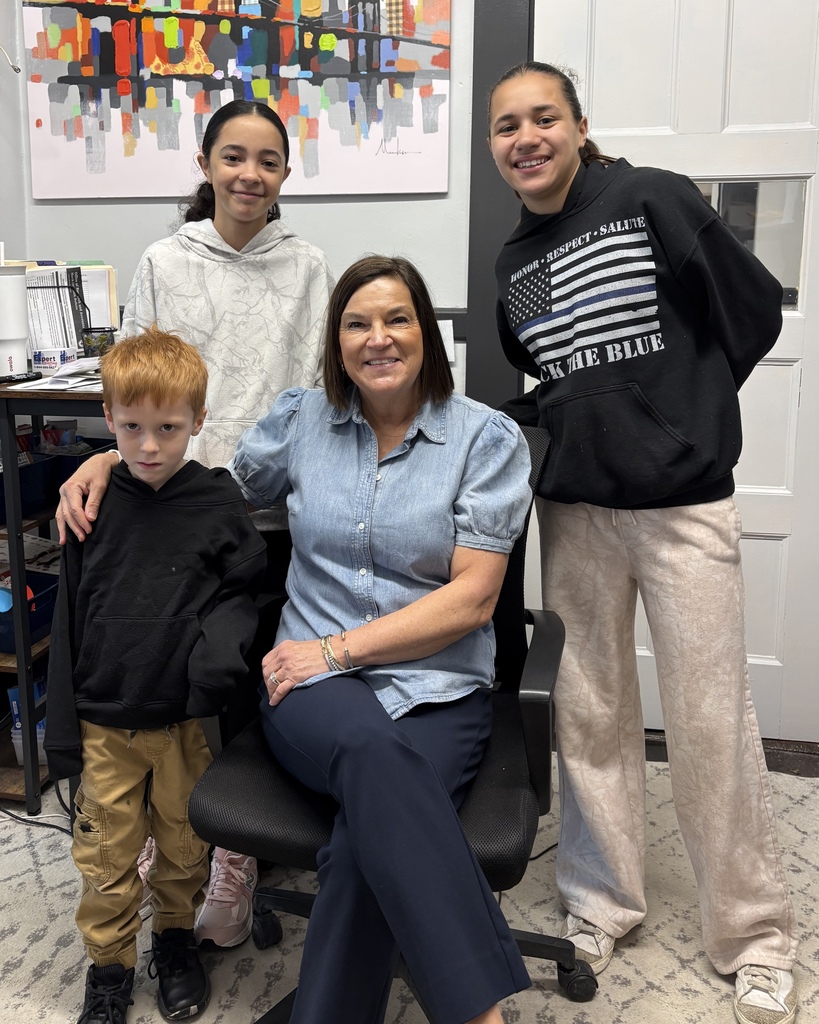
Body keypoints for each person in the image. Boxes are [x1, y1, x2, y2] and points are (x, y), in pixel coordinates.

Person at [61, 254, 534, 1024]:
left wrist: (341, 650)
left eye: (396, 318)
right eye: (356, 323)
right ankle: (478, 1008)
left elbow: (474, 600)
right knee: (375, 756)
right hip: (308, 685)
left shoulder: (486, 438)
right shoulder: (300, 420)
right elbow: (198, 485)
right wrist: (115, 453)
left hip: (437, 684)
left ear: (427, 333)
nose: (376, 338)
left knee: (358, 847)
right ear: (336, 341)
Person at [487, 61, 799, 1024]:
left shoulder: (652, 197)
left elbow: (747, 308)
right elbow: (549, 373)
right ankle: (600, 900)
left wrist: (687, 413)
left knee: (709, 717)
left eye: (543, 117)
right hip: (575, 510)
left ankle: (751, 934)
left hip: (682, 504)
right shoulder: (511, 263)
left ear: (580, 124)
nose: (526, 138)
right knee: (588, 715)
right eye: (506, 127)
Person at [60, 98, 335, 949]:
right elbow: (138, 387)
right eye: (233, 157)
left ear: (285, 175)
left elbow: (327, 391)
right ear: (206, 165)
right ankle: (174, 834)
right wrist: (106, 455)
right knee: (183, 680)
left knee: (254, 673)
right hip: (178, 504)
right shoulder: (164, 260)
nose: (249, 174)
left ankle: (237, 853)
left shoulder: (311, 265)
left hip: (279, 510)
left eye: (267, 160)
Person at [44, 329, 267, 1024]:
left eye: (167, 429)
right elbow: (70, 615)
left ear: (197, 422)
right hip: (104, 717)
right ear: (109, 421)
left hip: (183, 723)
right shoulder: (91, 501)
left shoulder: (218, 503)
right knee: (107, 859)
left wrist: (217, 662)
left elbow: (246, 592)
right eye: (132, 428)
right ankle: (108, 970)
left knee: (182, 847)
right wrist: (62, 729)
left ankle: (175, 940)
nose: (148, 446)